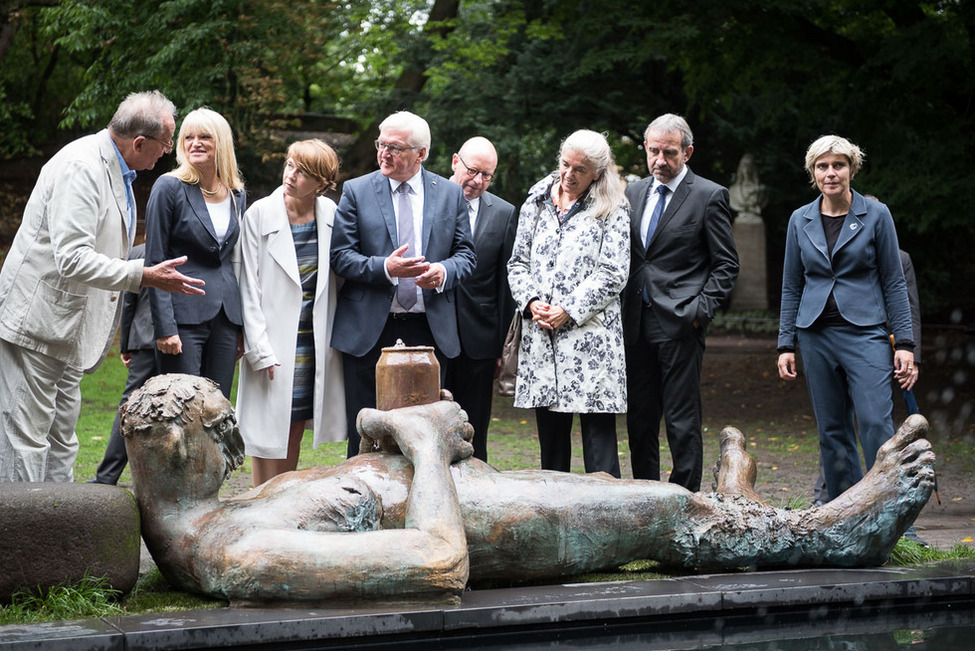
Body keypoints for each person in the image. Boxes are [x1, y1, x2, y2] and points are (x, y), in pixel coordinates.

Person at [120, 373, 936, 604]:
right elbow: (438, 561)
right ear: (177, 444)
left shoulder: (214, 515)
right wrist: (419, 440)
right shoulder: (235, 551)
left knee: (615, 483)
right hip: (470, 517)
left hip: (466, 486)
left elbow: (348, 500)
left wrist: (374, 448)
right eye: (224, 430)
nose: (237, 442)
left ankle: (748, 516)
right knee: (656, 509)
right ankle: (834, 533)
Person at [0, 90, 205, 483]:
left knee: (62, 438)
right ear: (139, 142)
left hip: (67, 330)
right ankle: (23, 538)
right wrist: (143, 275)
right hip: (37, 324)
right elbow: (72, 257)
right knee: (26, 439)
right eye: (164, 145)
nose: (166, 154)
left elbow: (104, 244)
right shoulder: (81, 167)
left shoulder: (118, 168)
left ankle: (58, 522)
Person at [777, 135, 916, 501]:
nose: (830, 173)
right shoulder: (799, 220)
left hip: (865, 334)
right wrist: (785, 343)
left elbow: (894, 280)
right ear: (812, 173)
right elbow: (792, 284)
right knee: (832, 431)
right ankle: (846, 515)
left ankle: (891, 511)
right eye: (822, 166)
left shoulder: (876, 214)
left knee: (875, 424)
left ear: (852, 168)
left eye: (838, 165)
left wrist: (904, 343)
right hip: (815, 334)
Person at [330, 111, 476, 457]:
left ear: (421, 153)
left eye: (395, 147)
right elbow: (340, 257)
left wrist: (442, 272)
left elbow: (466, 256)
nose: (384, 153)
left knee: (429, 438)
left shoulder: (450, 194)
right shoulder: (357, 190)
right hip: (371, 332)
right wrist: (387, 268)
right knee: (365, 436)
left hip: (430, 331)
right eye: (381, 144)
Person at [621, 113, 739, 491]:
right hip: (634, 322)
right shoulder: (632, 192)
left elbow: (726, 265)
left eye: (669, 152)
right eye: (653, 151)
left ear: (687, 152)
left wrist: (698, 313)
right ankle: (646, 499)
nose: (659, 160)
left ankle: (687, 502)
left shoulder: (709, 195)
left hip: (680, 322)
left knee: (681, 420)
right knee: (640, 419)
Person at [506, 129, 629, 477]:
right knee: (552, 445)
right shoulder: (537, 199)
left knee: (599, 445)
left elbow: (613, 273)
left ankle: (607, 518)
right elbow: (517, 262)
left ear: (597, 173)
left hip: (590, 342)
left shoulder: (612, 207)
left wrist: (569, 311)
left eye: (580, 169)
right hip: (542, 337)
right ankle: (553, 514)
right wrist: (530, 301)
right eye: (565, 164)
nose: (569, 175)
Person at [237, 139, 347, 486]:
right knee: (265, 431)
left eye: (302, 172)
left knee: (294, 423)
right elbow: (247, 286)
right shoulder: (259, 214)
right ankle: (261, 500)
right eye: (289, 165)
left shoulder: (331, 215)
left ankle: (280, 501)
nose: (291, 175)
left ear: (321, 183)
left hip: (312, 343)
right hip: (272, 338)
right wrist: (258, 348)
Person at [146, 108, 247, 399]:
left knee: (217, 409)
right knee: (183, 408)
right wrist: (165, 328)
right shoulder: (169, 187)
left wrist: (239, 326)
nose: (195, 143)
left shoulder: (236, 194)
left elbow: (229, 259)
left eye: (205, 136)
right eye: (188, 137)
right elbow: (156, 261)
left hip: (226, 318)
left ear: (222, 143)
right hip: (183, 317)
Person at [443, 136, 517, 462]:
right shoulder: (428, 199)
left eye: (487, 175)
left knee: (475, 430)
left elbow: (505, 284)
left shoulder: (504, 213)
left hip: (480, 340)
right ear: (455, 162)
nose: (478, 181)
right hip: (433, 332)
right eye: (473, 171)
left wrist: (501, 345)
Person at [90, 244, 159, 485]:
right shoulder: (187, 246)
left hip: (142, 339)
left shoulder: (139, 251)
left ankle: (107, 475)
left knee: (128, 406)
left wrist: (126, 344)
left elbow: (128, 301)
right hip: (175, 340)